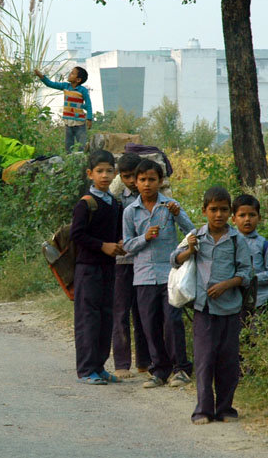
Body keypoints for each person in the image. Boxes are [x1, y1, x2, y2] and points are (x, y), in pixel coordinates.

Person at [171, 186, 252, 424]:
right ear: (205, 210)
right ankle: (203, 410)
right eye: (213, 209)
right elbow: (174, 260)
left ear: (230, 212)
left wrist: (226, 285)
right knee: (205, 360)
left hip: (230, 309)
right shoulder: (196, 236)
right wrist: (190, 250)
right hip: (203, 310)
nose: (218, 214)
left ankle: (225, 408)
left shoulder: (237, 240)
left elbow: (246, 274)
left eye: (224, 210)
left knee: (228, 361)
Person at [122, 159, 194, 388]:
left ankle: (181, 368)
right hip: (143, 276)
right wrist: (145, 237)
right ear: (135, 182)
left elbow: (190, 232)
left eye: (152, 179)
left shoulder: (171, 206)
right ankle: (159, 370)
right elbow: (127, 246)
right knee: (149, 324)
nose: (146, 184)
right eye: (142, 180)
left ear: (160, 182)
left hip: (169, 274)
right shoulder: (130, 211)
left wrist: (179, 213)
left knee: (172, 322)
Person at [70, 150, 123, 385]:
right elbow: (77, 235)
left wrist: (119, 243)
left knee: (106, 317)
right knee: (87, 319)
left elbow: (117, 233)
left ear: (115, 173)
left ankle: (100, 367)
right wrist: (102, 246)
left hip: (108, 269)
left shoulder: (115, 204)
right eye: (99, 171)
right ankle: (85, 369)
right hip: (88, 269)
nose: (104, 175)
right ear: (90, 174)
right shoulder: (86, 204)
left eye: (109, 171)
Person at [109, 153, 151, 377]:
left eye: (134, 177)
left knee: (143, 312)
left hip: (143, 261)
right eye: (125, 177)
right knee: (121, 312)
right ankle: (122, 364)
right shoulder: (116, 198)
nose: (131, 182)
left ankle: (144, 362)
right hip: (122, 261)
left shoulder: (149, 196)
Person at [232, 194, 268, 315]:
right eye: (242, 215)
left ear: (259, 218)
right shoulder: (229, 243)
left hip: (261, 300)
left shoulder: (265, 245)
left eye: (252, 215)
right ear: (233, 219)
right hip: (235, 301)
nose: (247, 219)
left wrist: (253, 279)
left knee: (257, 332)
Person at [33, 66, 93, 152]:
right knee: (68, 144)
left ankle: (83, 158)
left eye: (72, 73)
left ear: (78, 80)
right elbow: (51, 84)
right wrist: (41, 76)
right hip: (68, 121)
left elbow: (88, 105)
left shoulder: (82, 90)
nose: (70, 74)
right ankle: (68, 159)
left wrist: (89, 118)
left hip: (79, 122)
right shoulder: (65, 86)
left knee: (81, 144)